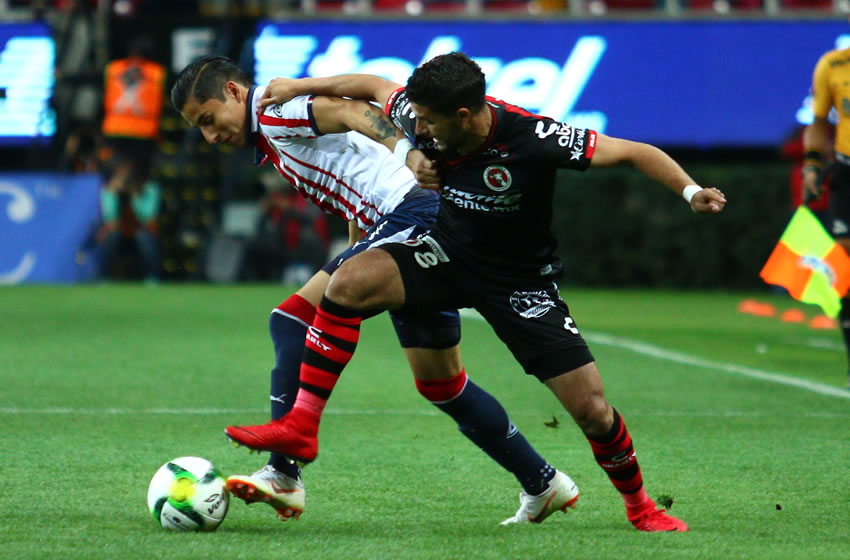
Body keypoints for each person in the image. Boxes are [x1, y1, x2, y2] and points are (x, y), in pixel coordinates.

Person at [226, 52, 727, 532]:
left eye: (428, 122)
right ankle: (302, 426)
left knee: (592, 410)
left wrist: (691, 191)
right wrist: (303, 88)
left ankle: (641, 508)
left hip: (519, 281)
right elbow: (373, 86)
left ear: (463, 116)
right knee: (349, 282)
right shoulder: (424, 119)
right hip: (445, 254)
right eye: (416, 118)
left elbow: (636, 152)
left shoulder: (534, 137)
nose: (419, 129)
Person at [172, 56, 579, 524]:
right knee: (441, 384)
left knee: (291, 320)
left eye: (209, 120)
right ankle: (543, 482)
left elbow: (353, 110)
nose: (210, 136)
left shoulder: (271, 109)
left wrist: (407, 153)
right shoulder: (271, 133)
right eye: (200, 129)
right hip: (403, 218)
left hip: (413, 212)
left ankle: (283, 474)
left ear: (233, 92)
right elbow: (355, 182)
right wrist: (356, 249)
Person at [802, 46, 850, 388]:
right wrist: (812, 164)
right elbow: (818, 123)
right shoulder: (833, 64)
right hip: (847, 174)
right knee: (845, 265)